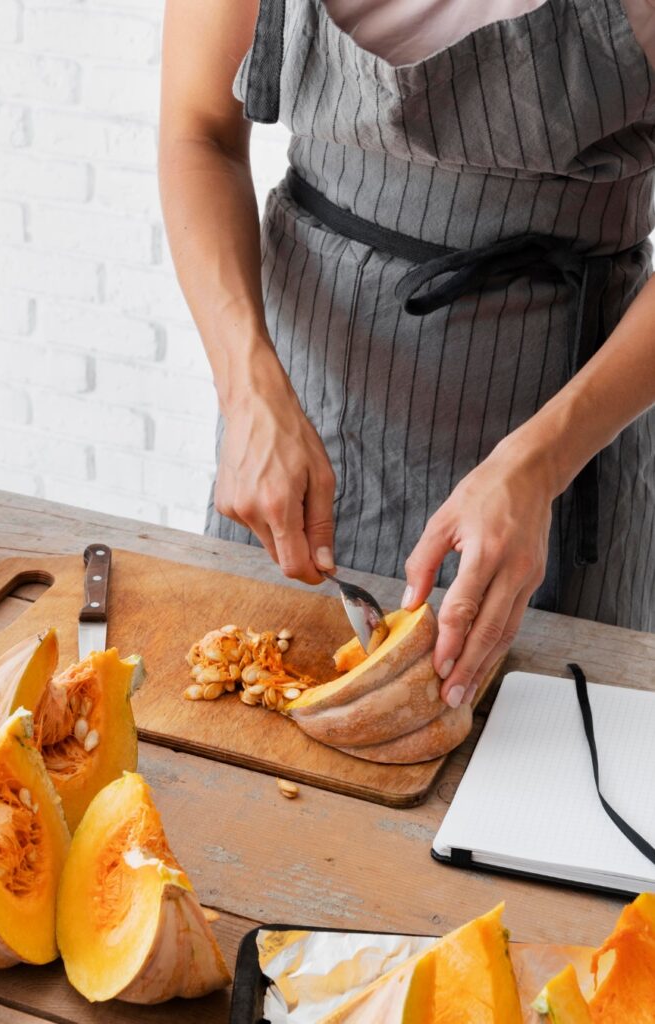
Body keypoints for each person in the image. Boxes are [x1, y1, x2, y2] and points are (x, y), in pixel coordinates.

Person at [159, 0, 655, 710]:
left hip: (576, 422)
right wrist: (246, 391)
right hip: (304, 396)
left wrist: (540, 465)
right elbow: (198, 132)